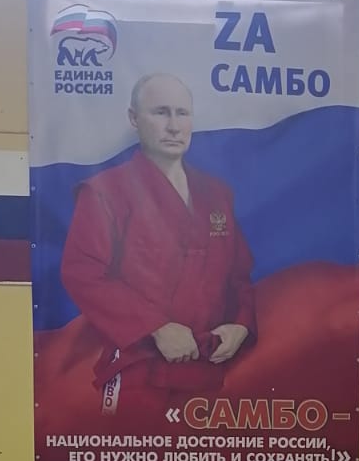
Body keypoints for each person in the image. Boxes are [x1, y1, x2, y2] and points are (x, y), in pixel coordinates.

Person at [60, 73, 256, 408]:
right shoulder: (106, 192)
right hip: (138, 371)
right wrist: (156, 327)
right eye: (161, 112)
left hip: (209, 372)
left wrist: (240, 325)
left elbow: (239, 276)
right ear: (134, 119)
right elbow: (83, 273)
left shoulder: (217, 195)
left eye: (182, 113)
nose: (174, 126)